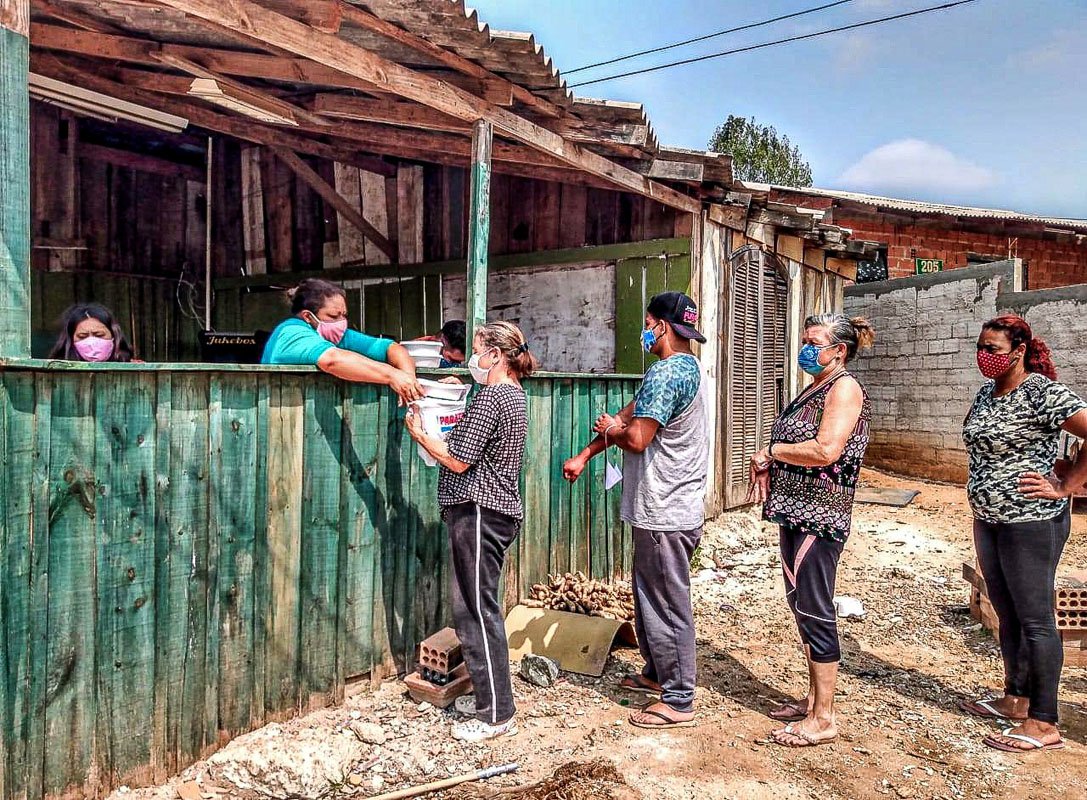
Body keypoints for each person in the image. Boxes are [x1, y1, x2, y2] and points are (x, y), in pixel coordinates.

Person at [563, 291, 709, 730]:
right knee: (648, 595)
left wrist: (612, 429)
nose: (645, 331)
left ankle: (680, 697)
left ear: (661, 326)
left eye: (648, 323)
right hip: (662, 507)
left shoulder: (667, 374)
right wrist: (588, 453)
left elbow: (638, 436)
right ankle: (656, 673)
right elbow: (633, 413)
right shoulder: (679, 369)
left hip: (666, 509)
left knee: (666, 602)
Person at [958, 315, 1087, 753]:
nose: (983, 356)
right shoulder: (986, 394)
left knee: (1036, 619)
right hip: (989, 519)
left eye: (992, 349)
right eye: (980, 346)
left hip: (1032, 520)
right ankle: (1016, 698)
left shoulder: (1042, 392)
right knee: (1007, 610)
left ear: (1017, 351)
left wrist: (1067, 485)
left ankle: (1045, 721)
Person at [405, 321, 537, 743]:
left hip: (480, 511)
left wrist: (420, 435)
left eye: (479, 350)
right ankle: (489, 697)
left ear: (496, 355)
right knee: (476, 607)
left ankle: (496, 713)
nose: (474, 359)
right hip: (492, 511)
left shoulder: (494, 396)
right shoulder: (511, 394)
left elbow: (459, 459)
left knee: (476, 612)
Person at [749, 313, 875, 748]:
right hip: (795, 511)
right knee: (801, 605)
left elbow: (826, 449)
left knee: (816, 607)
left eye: (814, 342)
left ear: (839, 350)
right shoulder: (817, 386)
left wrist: (771, 452)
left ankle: (824, 717)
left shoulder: (844, 388)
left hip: (821, 516)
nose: (806, 348)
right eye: (804, 340)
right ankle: (811, 700)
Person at [262, 278, 423, 405]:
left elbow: (391, 348)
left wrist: (408, 379)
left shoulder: (335, 334)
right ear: (307, 316)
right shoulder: (291, 332)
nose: (341, 322)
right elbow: (332, 360)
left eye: (343, 315)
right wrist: (392, 375)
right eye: (333, 316)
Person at [49, 302, 137, 362]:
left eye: (99, 335)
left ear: (113, 336)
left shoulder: (135, 371)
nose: (91, 342)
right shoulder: (56, 374)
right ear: (71, 340)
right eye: (82, 336)